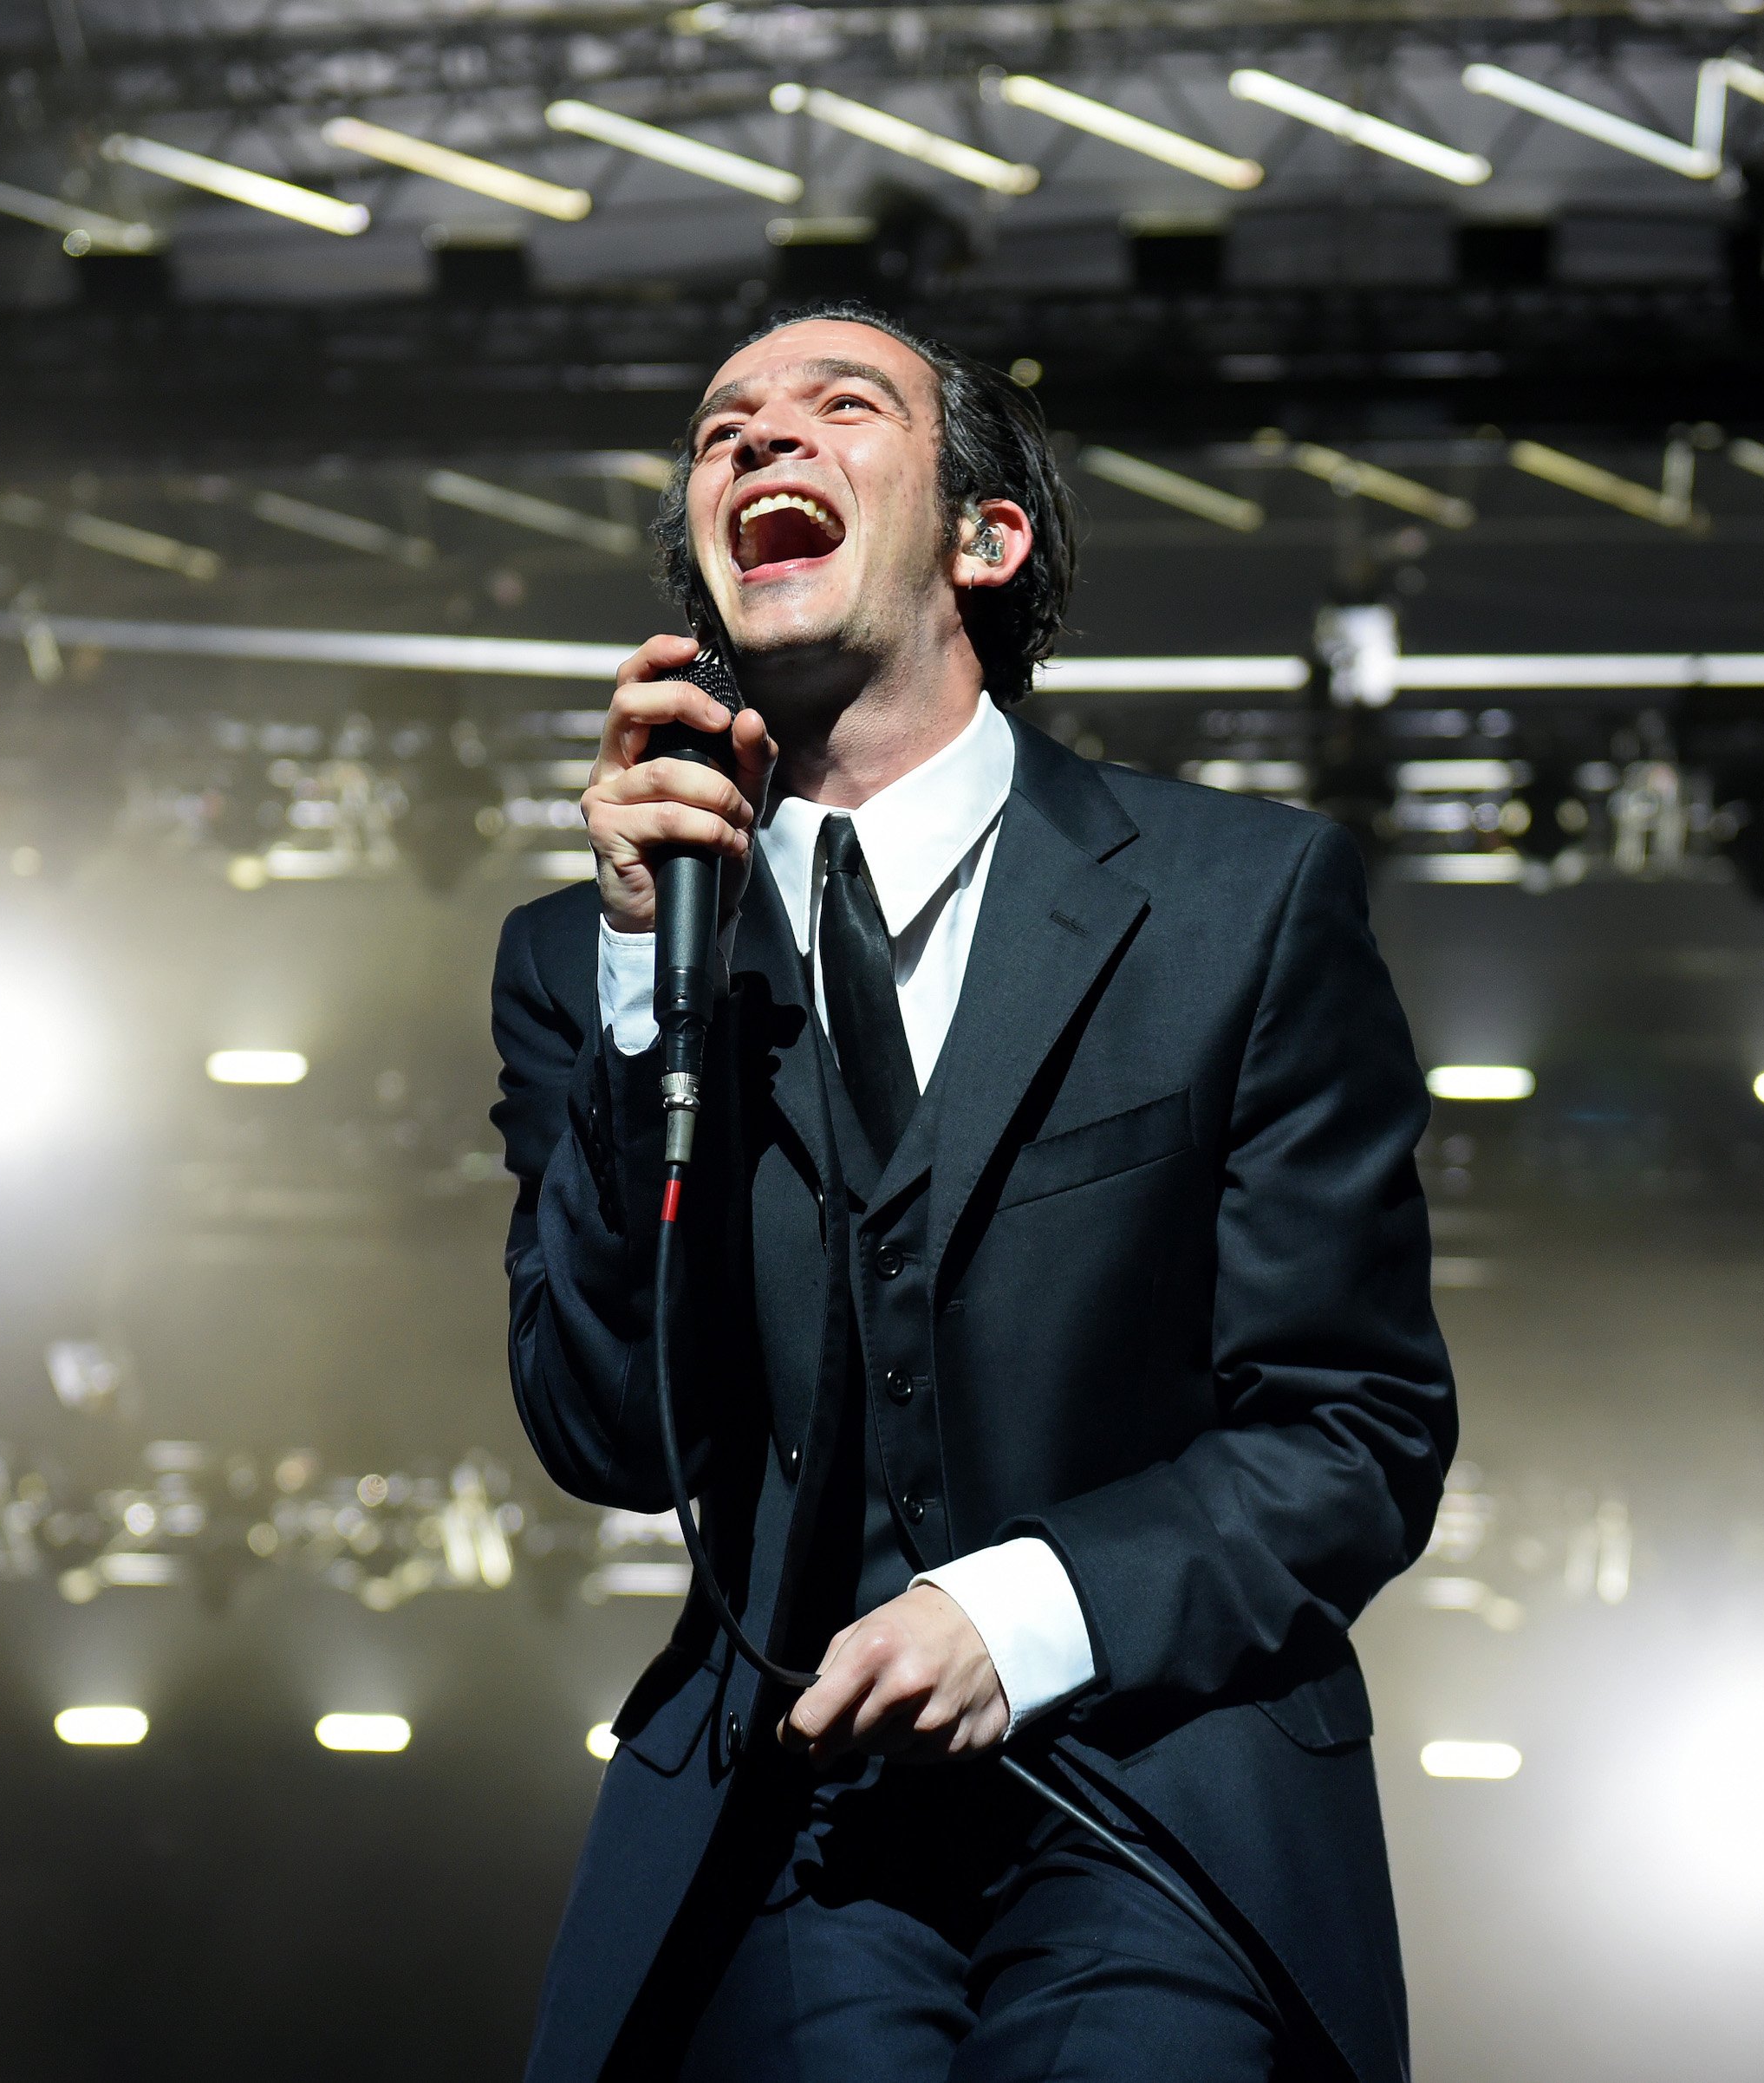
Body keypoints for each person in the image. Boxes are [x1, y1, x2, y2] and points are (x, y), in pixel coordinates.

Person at [488, 301, 1456, 2083]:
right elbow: (606, 1425)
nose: (759, 441)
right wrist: (647, 978)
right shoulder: (591, 959)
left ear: (983, 538)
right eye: (721, 429)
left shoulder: (1238, 902)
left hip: (1158, 1791)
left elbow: (1356, 1424)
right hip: (795, 1830)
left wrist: (1024, 1611)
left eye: (837, 407)